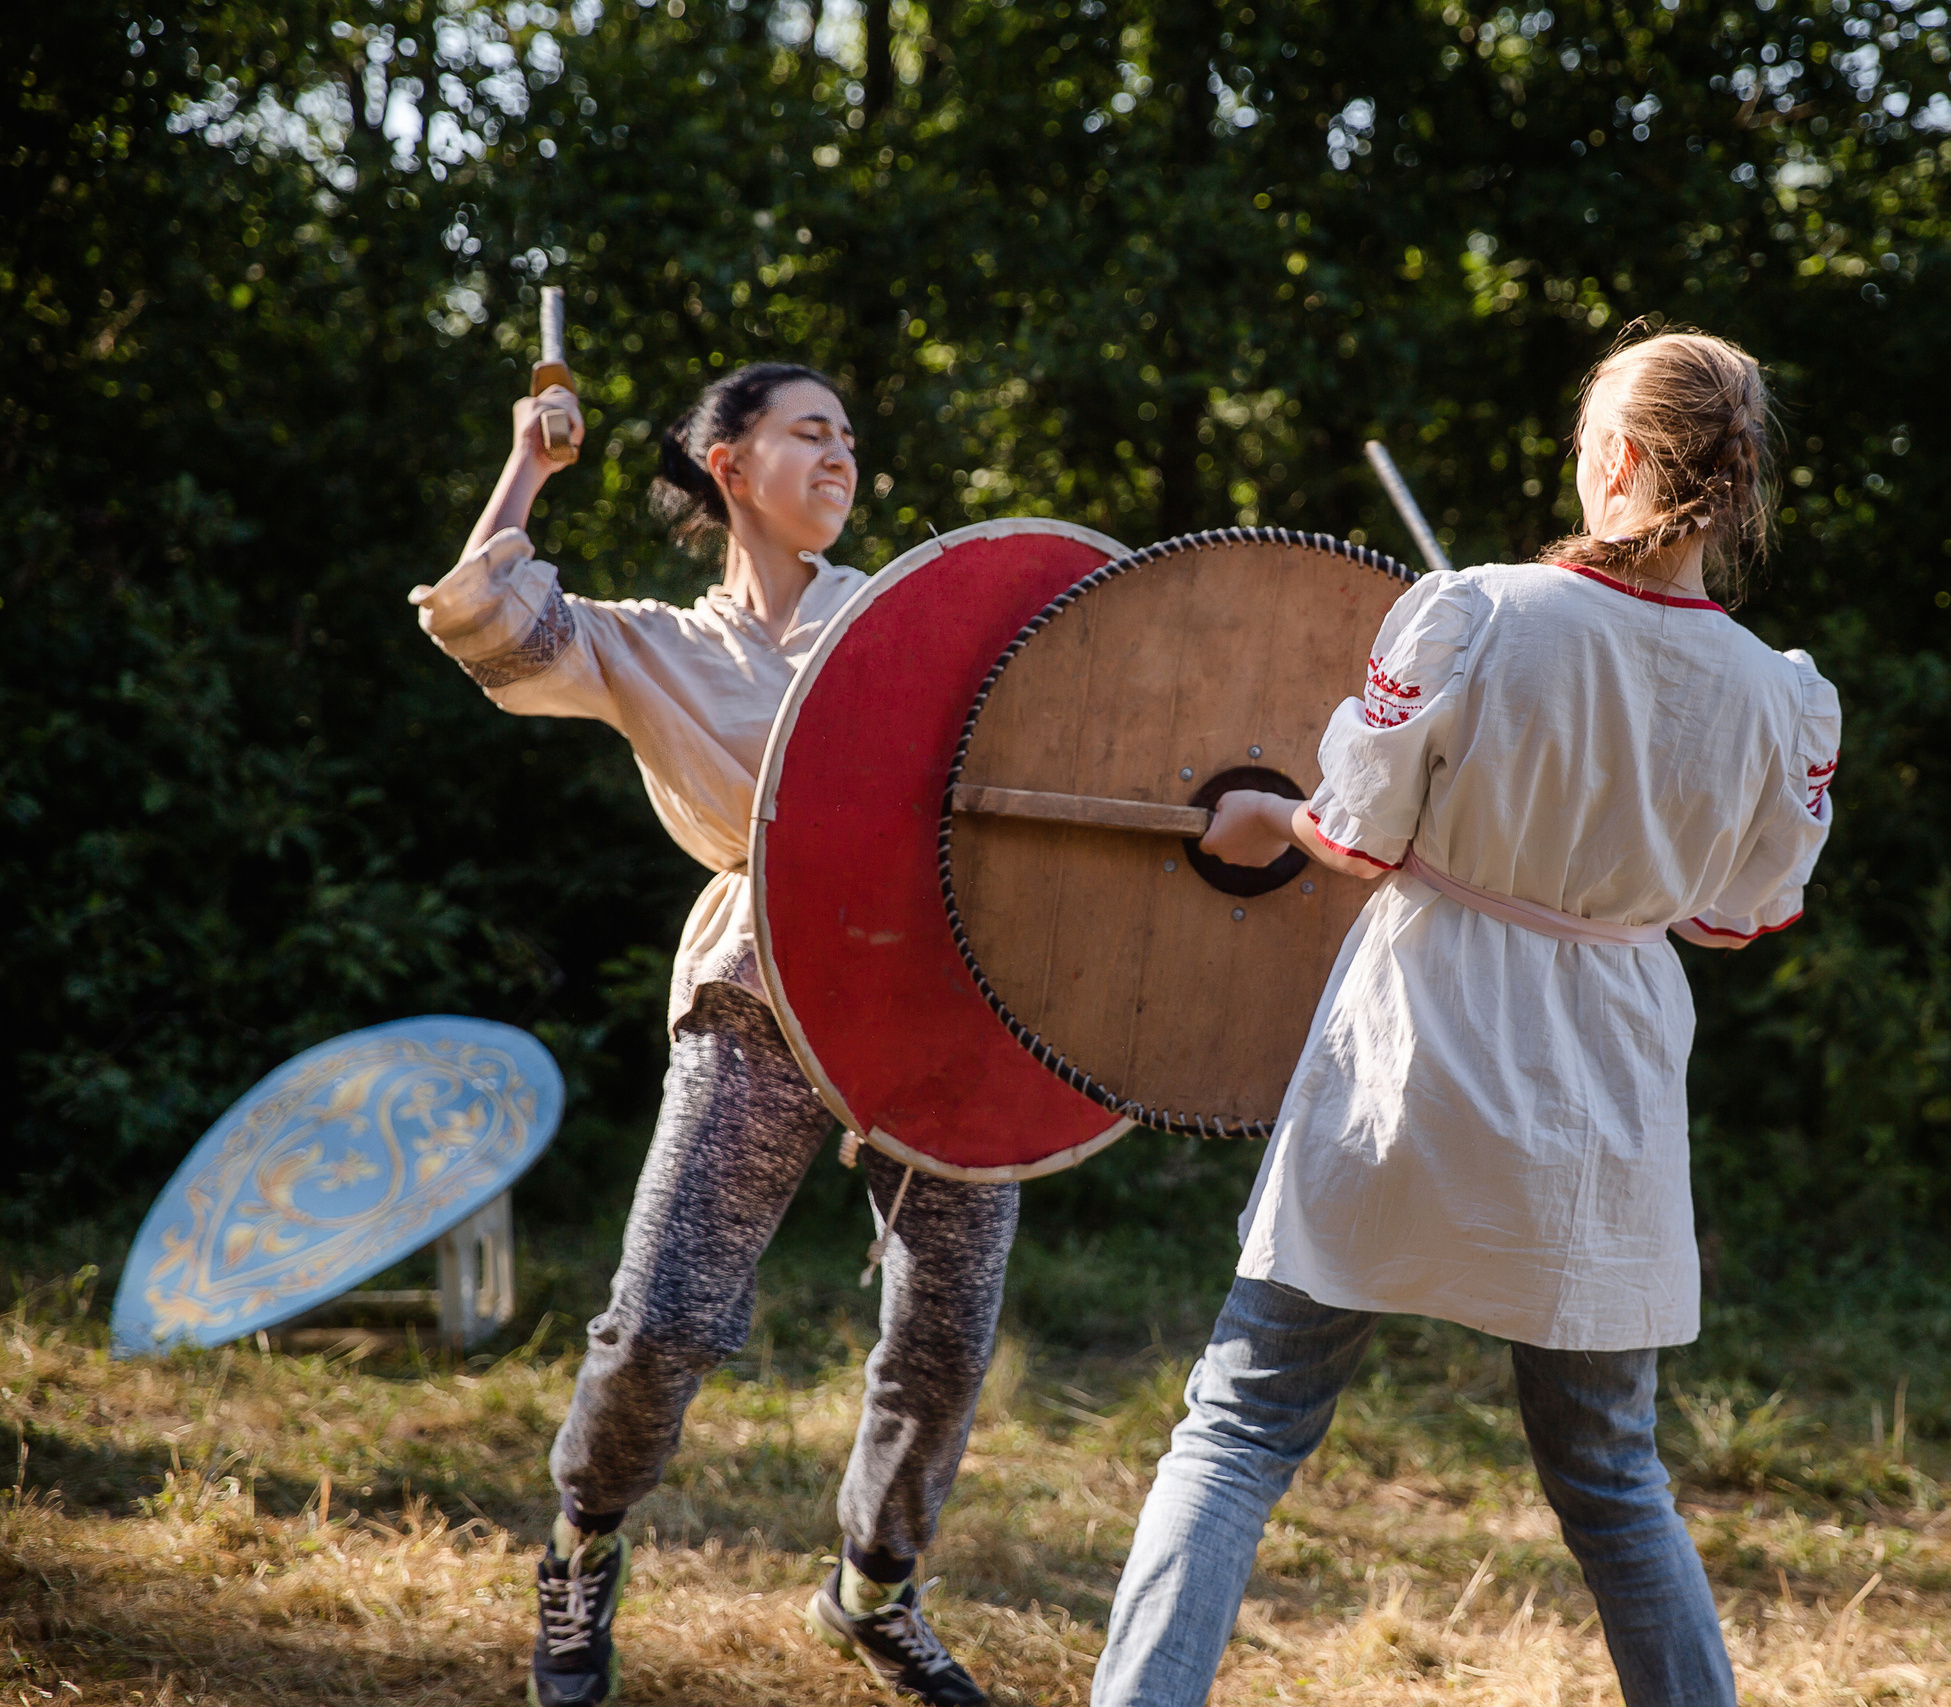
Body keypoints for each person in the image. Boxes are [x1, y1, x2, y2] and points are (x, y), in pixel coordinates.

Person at [1089, 328, 1840, 1707]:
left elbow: (1360, 836)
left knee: (1240, 1426)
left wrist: (1273, 818)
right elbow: (1735, 917)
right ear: (1736, 482)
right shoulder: (1775, 693)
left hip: (1421, 1046)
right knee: (1615, 1479)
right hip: (1608, 1084)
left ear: (1616, 457)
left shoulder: (1478, 612)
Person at [412, 363, 1007, 1707]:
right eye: (810, 433)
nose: (841, 456)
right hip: (761, 987)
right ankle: (580, 1548)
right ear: (728, 464)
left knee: (947, 1342)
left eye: (849, 437)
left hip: (940, 998)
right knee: (664, 1319)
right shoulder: (655, 647)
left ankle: (875, 1589)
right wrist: (531, 466)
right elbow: (482, 620)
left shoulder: (908, 612)